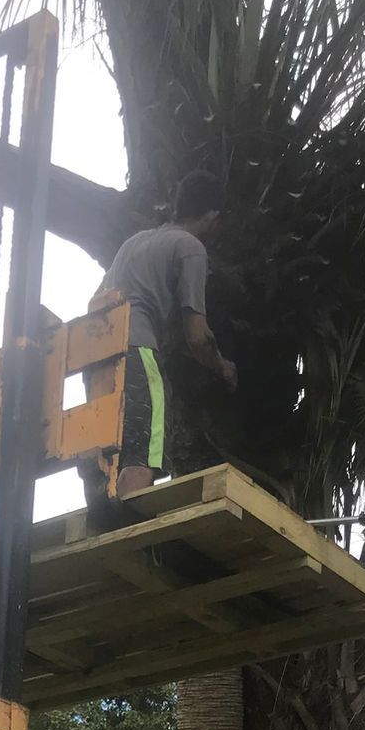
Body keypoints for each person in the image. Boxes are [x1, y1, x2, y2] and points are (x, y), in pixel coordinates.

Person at [83, 170, 237, 520]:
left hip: (95, 357)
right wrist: (222, 366)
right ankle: (132, 532)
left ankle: (103, 520)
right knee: (143, 449)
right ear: (212, 216)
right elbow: (198, 337)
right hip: (136, 348)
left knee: (105, 450)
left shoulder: (133, 243)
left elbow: (97, 299)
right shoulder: (190, 247)